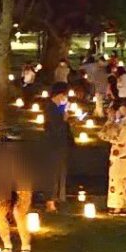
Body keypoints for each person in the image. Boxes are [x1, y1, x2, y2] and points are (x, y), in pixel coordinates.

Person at [0, 140, 34, 252]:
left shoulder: (22, 171)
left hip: (22, 186)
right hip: (5, 185)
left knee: (19, 212)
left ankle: (26, 248)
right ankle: (7, 246)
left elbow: (24, 190)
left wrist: (21, 200)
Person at [99, 97, 126, 216]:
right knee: (116, 180)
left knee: (119, 181)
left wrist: (110, 137)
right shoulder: (122, 122)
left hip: (122, 155)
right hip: (117, 155)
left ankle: (119, 207)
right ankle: (118, 206)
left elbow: (120, 139)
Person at [42, 82, 73, 212]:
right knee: (53, 172)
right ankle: (50, 201)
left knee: (59, 171)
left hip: (60, 144)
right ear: (60, 94)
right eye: (65, 95)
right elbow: (54, 127)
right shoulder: (51, 108)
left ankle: (57, 198)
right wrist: (64, 119)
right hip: (54, 144)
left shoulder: (57, 107)